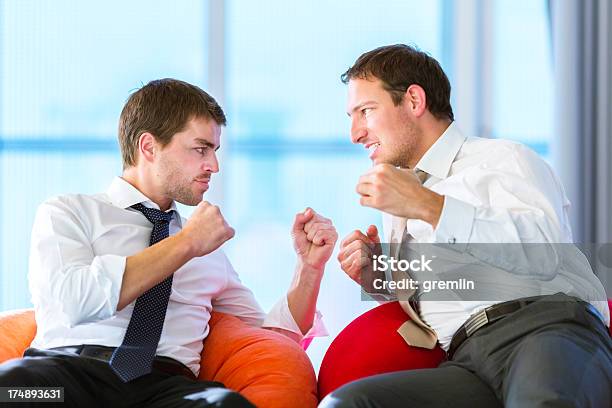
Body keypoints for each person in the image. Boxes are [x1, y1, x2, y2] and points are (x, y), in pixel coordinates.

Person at [0, 78, 338, 407]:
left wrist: (309, 268)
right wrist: (186, 243)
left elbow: (271, 337)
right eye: (200, 149)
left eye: (215, 151)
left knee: (227, 404)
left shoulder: (207, 247)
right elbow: (73, 301)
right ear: (148, 146)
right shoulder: (68, 212)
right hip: (66, 378)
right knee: (10, 390)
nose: (214, 166)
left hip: (164, 389)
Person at [321, 44, 611, 407]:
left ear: (413, 100)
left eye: (366, 111)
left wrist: (428, 206)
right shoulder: (401, 200)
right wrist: (375, 276)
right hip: (466, 358)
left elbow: (545, 254)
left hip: (546, 328)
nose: (354, 133)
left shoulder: (502, 159)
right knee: (348, 404)